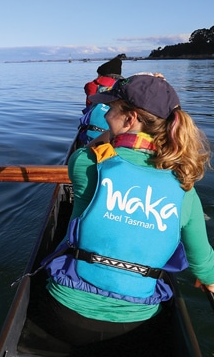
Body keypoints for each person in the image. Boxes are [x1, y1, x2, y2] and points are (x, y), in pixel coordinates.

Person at [39, 74, 214, 347]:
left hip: (63, 317)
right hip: (134, 326)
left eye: (111, 107)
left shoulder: (84, 162)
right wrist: (208, 280)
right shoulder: (184, 188)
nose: (105, 113)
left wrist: (116, 134)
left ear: (130, 118)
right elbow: (203, 262)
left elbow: (95, 151)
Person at [78, 57, 124, 145]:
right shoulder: (124, 87)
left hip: (92, 133)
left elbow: (88, 89)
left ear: (102, 75)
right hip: (114, 133)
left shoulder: (92, 85)